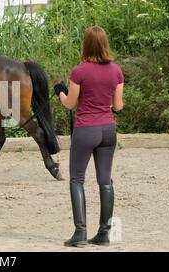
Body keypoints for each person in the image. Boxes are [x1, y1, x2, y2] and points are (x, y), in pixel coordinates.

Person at [53, 26, 124, 247]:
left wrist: (60, 91)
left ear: (86, 44)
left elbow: (69, 104)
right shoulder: (116, 71)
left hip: (86, 130)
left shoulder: (79, 71)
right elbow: (118, 106)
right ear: (105, 44)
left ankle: (80, 233)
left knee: (77, 178)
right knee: (105, 180)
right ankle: (104, 233)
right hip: (108, 130)